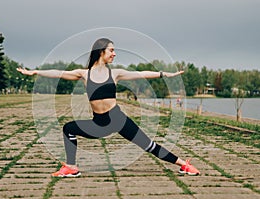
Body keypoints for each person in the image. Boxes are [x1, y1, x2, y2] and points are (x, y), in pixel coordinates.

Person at [17, 38, 200, 177]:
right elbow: (59, 73)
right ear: (100, 52)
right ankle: (71, 167)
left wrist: (164, 74)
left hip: (118, 120)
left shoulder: (116, 73)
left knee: (149, 145)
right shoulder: (84, 74)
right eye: (111, 50)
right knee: (68, 129)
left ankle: (184, 164)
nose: (114, 54)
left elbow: (141, 73)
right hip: (99, 124)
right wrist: (35, 72)